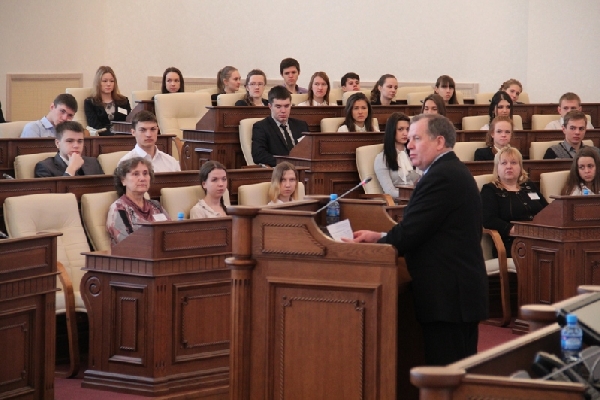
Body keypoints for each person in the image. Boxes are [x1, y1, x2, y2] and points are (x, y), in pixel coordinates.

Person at [344, 114, 488, 366]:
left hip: (448, 298)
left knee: (446, 375)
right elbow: (426, 229)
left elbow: (411, 233)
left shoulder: (441, 176)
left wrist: (375, 246)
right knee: (459, 371)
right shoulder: (451, 171)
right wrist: (380, 236)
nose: (409, 145)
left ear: (439, 141)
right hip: (456, 293)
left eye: (416, 139)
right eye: (408, 139)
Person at [481, 146, 548, 257]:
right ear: (497, 168)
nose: (509, 166)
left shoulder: (529, 186)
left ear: (520, 167)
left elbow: (547, 210)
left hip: (540, 239)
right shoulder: (490, 190)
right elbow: (488, 219)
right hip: (513, 243)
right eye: (504, 163)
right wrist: (514, 230)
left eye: (513, 163)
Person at [107, 157, 169, 247]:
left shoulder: (156, 205)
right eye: (136, 174)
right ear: (123, 180)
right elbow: (128, 243)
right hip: (133, 254)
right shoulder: (119, 208)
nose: (142, 178)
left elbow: (171, 233)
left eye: (145, 173)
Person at [251, 86, 309, 167]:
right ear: (270, 106)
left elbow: (309, 150)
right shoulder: (261, 127)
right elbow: (259, 155)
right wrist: (288, 163)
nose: (283, 111)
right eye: (278, 107)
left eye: (286, 106)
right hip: (278, 170)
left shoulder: (301, 125)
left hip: (303, 169)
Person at [374, 112, 420, 198]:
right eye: (400, 129)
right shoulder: (382, 159)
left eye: (407, 129)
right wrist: (414, 195)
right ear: (392, 131)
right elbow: (390, 192)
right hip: (399, 202)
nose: (405, 133)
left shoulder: (415, 153)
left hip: (419, 199)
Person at [34, 121, 104, 177]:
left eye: (80, 141)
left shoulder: (93, 163)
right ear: (58, 143)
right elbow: (55, 191)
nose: (76, 145)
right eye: (70, 141)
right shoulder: (45, 167)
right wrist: (71, 169)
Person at [84, 66, 131, 135]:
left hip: (123, 137)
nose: (108, 84)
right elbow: (95, 126)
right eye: (105, 81)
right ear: (98, 83)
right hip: (102, 138)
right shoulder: (90, 103)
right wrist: (114, 132)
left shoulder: (123, 101)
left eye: (111, 81)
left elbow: (129, 122)